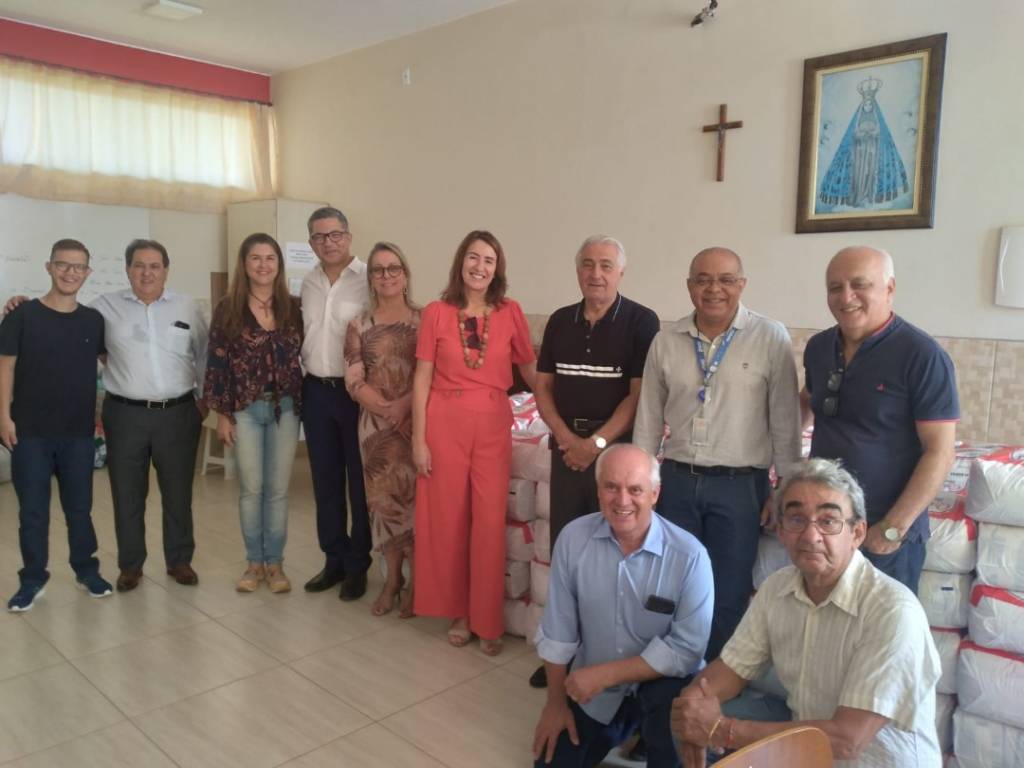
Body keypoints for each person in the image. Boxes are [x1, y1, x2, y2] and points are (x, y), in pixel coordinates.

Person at [670, 458, 941, 768]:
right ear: (781, 530)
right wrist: (693, 707)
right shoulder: (777, 589)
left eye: (828, 521)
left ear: (857, 533)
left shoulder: (892, 611)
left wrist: (723, 730)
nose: (811, 536)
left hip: (871, 761)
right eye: (797, 519)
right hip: (807, 752)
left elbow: (848, 741)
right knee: (683, 717)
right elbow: (732, 669)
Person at [634, 247, 801, 661]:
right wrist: (639, 484)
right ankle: (669, 677)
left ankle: (713, 685)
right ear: (689, 285)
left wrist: (786, 489)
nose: (714, 289)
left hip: (740, 487)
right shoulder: (666, 341)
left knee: (727, 593)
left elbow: (785, 418)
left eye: (726, 280)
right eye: (703, 279)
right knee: (671, 586)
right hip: (677, 482)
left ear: (741, 285)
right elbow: (648, 419)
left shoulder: (770, 337)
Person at [530, 234, 660, 689]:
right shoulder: (560, 321)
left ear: (621, 272)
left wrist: (597, 443)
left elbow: (637, 396)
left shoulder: (642, 321)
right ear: (577, 270)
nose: (596, 274)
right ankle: (560, 652)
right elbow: (543, 387)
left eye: (606, 265)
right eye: (588, 264)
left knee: (615, 554)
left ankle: (607, 658)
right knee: (568, 553)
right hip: (567, 450)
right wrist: (569, 439)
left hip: (616, 457)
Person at [532, 444, 713, 768]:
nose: (622, 500)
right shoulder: (574, 539)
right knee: (552, 763)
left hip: (664, 690)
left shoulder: (690, 556)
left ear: (655, 494)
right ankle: (620, 730)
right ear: (598, 491)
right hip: (597, 692)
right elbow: (558, 631)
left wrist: (605, 675)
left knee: (669, 737)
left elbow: (688, 650)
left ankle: (650, 737)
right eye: (611, 487)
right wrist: (555, 704)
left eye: (635, 490)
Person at [801, 246, 957, 593]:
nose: (846, 297)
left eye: (860, 285)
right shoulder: (819, 347)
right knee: (817, 620)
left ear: (890, 288)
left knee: (880, 626)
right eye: (835, 287)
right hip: (824, 527)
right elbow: (809, 399)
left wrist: (892, 528)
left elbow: (941, 452)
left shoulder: (922, 355)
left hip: (884, 534)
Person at [412, 230, 536, 656]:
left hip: (492, 423)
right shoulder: (436, 312)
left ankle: (487, 619)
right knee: (449, 520)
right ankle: (459, 613)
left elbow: (531, 370)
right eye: (472, 257)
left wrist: (556, 414)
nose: (479, 266)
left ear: (497, 269)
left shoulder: (511, 312)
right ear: (460, 262)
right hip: (443, 422)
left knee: (487, 521)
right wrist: (418, 440)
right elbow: (422, 377)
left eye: (488, 260)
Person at [0, 239, 113, 611]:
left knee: (79, 509)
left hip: (78, 433)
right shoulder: (22, 315)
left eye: (78, 267)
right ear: (49, 267)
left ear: (88, 273)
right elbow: (5, 368)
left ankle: (86, 570)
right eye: (63, 264)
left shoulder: (93, 320)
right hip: (29, 432)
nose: (70, 273)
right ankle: (32, 579)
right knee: (32, 512)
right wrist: (3, 417)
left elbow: (112, 363)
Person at [95, 239, 208, 591]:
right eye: (139, 265)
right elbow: (79, 335)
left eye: (154, 266)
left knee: (178, 494)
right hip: (125, 415)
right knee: (127, 495)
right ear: (127, 269)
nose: (147, 273)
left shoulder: (187, 306)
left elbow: (204, 354)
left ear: (166, 270)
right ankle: (131, 566)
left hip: (178, 414)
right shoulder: (104, 307)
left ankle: (180, 560)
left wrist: (203, 400)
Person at [204, 233, 303, 593]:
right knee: (251, 490)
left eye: (270, 258)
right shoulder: (228, 308)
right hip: (244, 410)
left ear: (279, 264)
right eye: (255, 258)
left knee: (277, 491)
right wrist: (222, 414)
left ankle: (275, 564)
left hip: (285, 409)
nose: (263, 265)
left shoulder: (294, 307)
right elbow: (217, 363)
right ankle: (253, 563)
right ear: (244, 265)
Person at [300, 206, 372, 601]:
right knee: (325, 481)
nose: (328, 242)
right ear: (310, 242)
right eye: (319, 236)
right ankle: (334, 559)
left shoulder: (368, 280)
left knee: (359, 483)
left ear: (348, 236)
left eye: (335, 235)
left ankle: (358, 564)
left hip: (354, 395)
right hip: (315, 391)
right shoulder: (307, 282)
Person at [344, 242, 420, 617]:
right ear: (371, 278)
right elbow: (354, 379)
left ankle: (418, 582)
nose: (386, 275)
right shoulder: (358, 324)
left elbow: (434, 373)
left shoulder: (426, 319)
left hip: (417, 425)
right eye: (378, 269)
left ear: (405, 274)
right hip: (375, 429)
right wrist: (389, 410)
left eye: (393, 268)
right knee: (383, 504)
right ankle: (392, 581)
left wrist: (405, 406)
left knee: (415, 503)